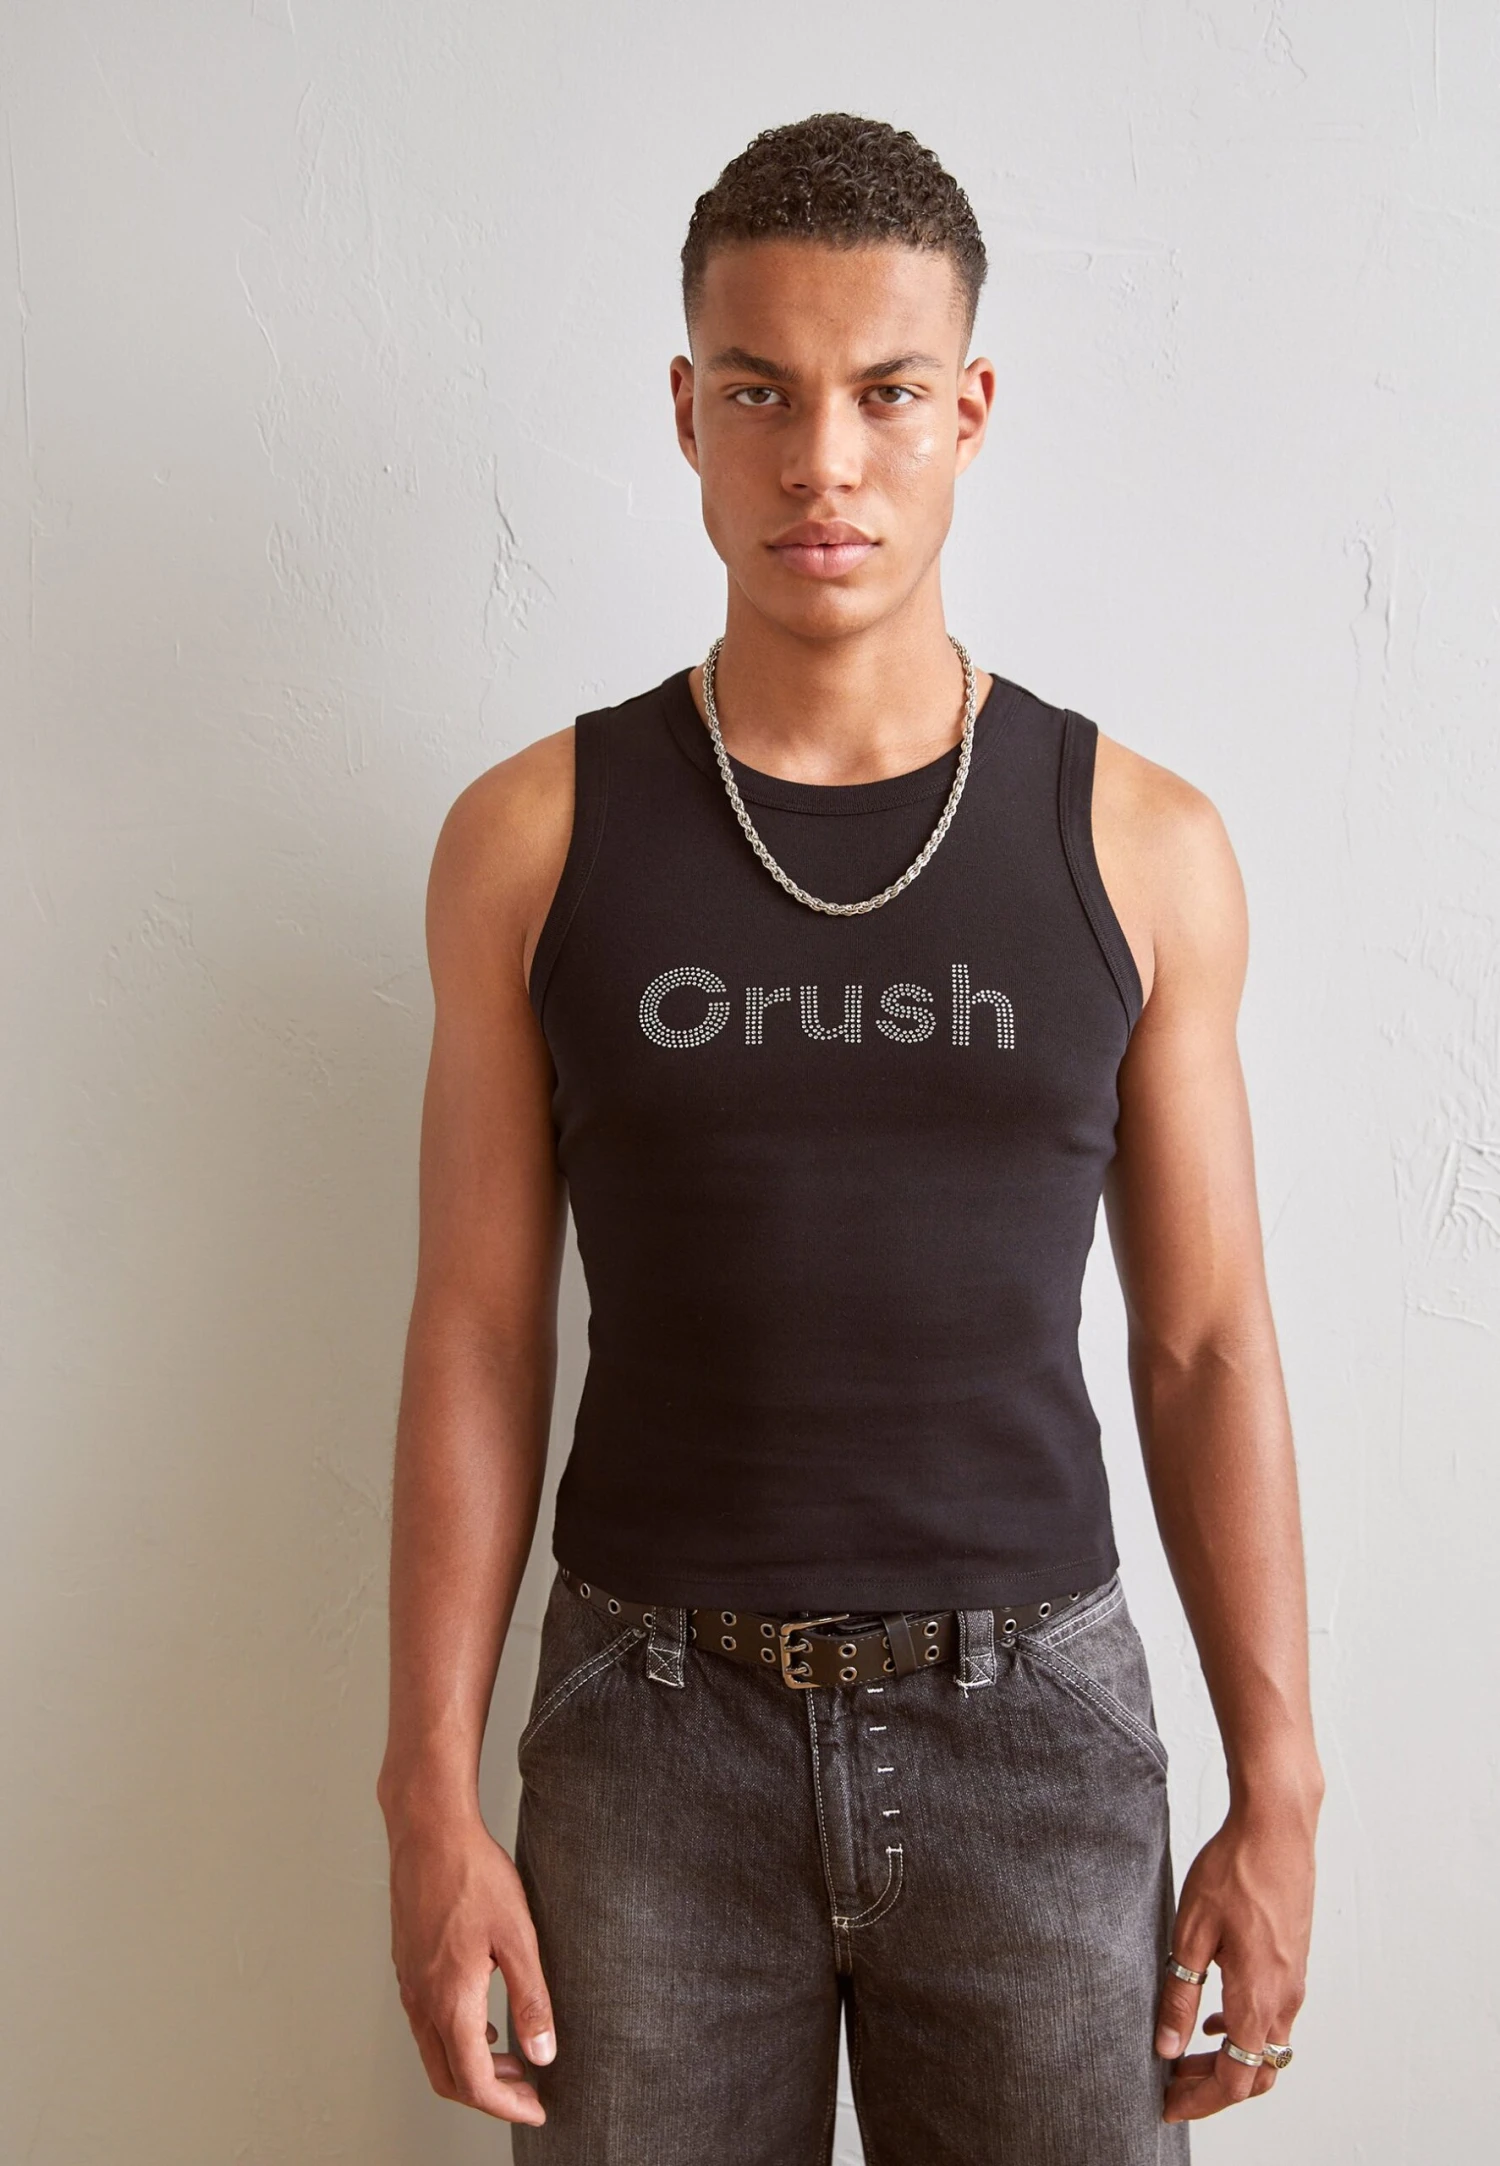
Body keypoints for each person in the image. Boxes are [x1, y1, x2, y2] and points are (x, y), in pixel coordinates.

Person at [376, 112, 1323, 2163]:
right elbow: (477, 1332)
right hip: (645, 1741)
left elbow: (1206, 1342)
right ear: (686, 413)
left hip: (1037, 1740)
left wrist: (1284, 1790)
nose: (824, 462)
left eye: (886, 394)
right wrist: (425, 1795)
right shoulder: (530, 839)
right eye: (761, 394)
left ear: (966, 410)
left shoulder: (1140, 844)